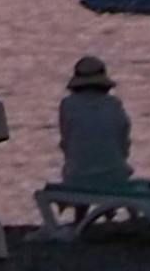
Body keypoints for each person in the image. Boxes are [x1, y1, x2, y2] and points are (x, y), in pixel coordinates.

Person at [57, 53, 133, 193]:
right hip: (115, 176)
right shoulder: (114, 105)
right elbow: (124, 144)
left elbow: (66, 144)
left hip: (77, 178)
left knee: (79, 172)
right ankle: (110, 212)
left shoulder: (67, 105)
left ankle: (80, 214)